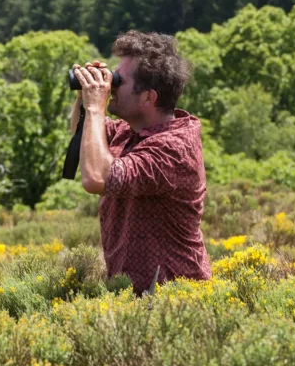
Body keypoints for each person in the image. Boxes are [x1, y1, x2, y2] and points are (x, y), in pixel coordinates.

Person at [70, 30, 211, 295]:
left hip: (175, 298)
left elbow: (95, 178)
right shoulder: (130, 130)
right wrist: (84, 97)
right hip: (137, 296)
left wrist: (95, 107)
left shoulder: (173, 149)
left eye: (119, 79)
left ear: (148, 97)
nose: (111, 84)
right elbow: (86, 137)